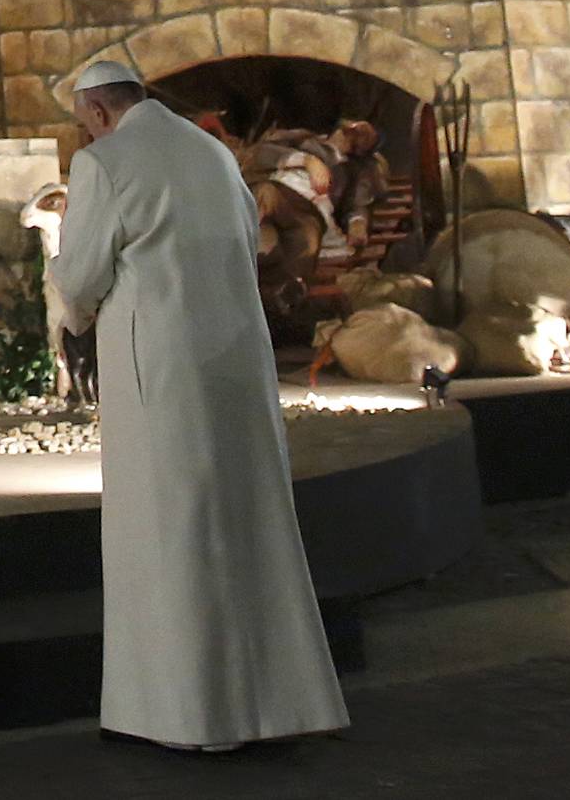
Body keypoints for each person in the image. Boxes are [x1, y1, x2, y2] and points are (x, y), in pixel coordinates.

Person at [49, 57, 348, 752]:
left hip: (160, 366)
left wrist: (69, 301)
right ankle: (279, 704)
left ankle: (191, 716)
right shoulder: (212, 153)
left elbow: (83, 274)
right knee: (250, 522)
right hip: (236, 360)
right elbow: (246, 242)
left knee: (172, 529)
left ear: (96, 113)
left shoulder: (105, 163)